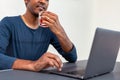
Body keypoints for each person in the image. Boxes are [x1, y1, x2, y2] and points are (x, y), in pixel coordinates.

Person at [0, 0, 77, 71]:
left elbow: (72, 57)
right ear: (26, 0)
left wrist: (60, 31)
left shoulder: (48, 28)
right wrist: (33, 65)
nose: (43, 1)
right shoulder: (8, 24)